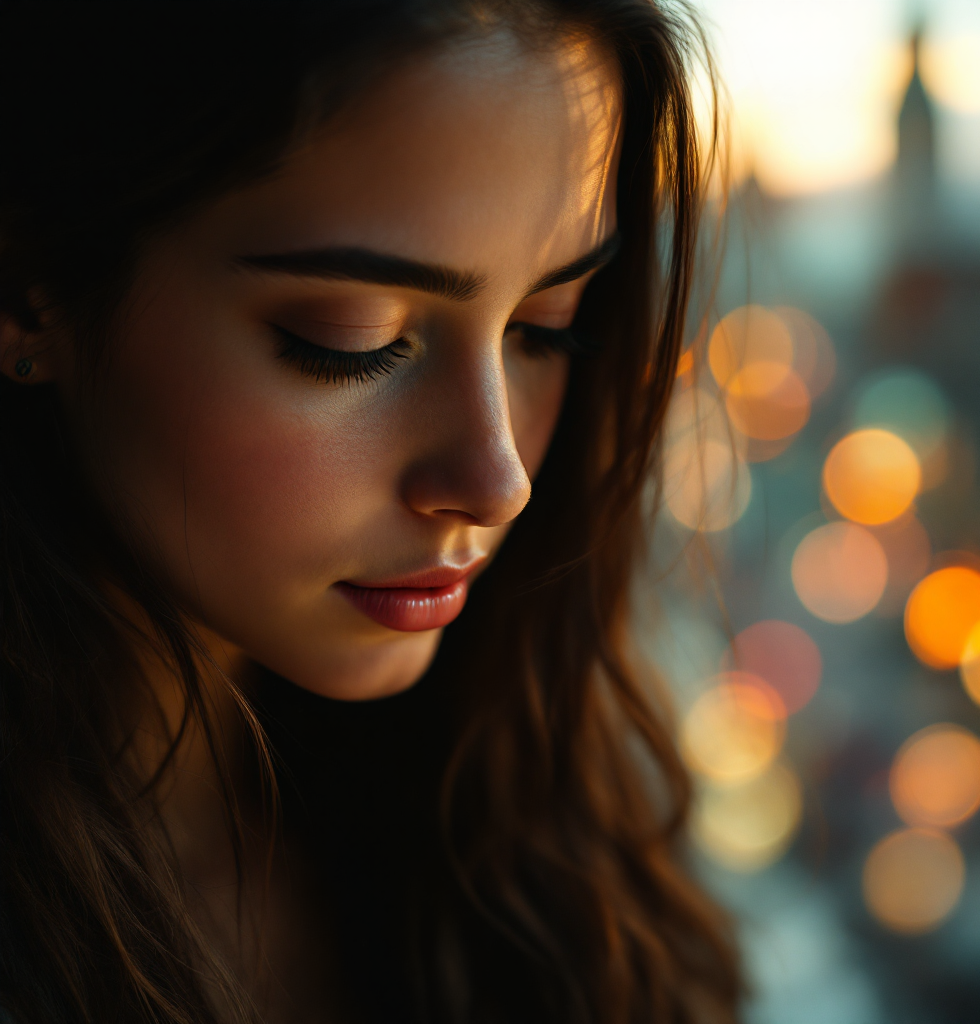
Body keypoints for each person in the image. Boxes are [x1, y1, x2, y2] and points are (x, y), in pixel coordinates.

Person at [0, 2, 740, 1021]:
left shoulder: (528, 837)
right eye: (351, 340)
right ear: (29, 290)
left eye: (543, 330)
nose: (496, 479)